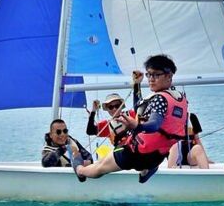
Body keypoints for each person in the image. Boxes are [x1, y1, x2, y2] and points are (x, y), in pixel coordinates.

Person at [73, 54, 188, 183]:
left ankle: (79, 170)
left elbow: (155, 124)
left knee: (99, 168)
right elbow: (140, 108)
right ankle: (147, 169)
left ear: (169, 75)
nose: (151, 79)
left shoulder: (159, 100)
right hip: (157, 156)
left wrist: (137, 126)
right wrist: (136, 85)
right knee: (121, 158)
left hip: (134, 153)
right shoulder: (180, 98)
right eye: (149, 75)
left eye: (156, 75)